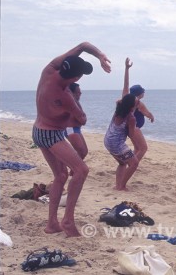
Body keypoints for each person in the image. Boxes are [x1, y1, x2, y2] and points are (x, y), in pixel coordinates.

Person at [32, 42, 111, 237]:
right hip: (51, 134)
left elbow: (83, 45)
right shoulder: (66, 96)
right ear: (76, 78)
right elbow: (81, 119)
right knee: (81, 170)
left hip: (38, 130)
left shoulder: (49, 70)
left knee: (60, 176)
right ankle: (68, 220)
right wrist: (74, 106)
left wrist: (99, 55)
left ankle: (52, 223)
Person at [104, 58, 142, 191]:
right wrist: (138, 146)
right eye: (137, 103)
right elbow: (132, 135)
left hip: (107, 140)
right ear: (132, 106)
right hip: (115, 143)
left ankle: (118, 185)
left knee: (122, 163)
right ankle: (122, 186)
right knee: (134, 163)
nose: (139, 104)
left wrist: (126, 69)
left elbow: (125, 88)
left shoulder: (119, 106)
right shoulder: (131, 118)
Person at [123, 58, 155, 161]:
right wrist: (152, 117)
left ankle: (129, 162)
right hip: (134, 127)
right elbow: (147, 113)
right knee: (143, 148)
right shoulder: (138, 102)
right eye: (143, 92)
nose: (144, 93)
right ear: (139, 94)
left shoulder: (127, 99)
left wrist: (127, 69)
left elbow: (126, 85)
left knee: (137, 148)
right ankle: (132, 165)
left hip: (128, 127)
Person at [65, 83, 88, 161]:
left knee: (84, 152)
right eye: (78, 92)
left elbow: (82, 118)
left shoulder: (76, 103)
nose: (80, 93)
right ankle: (75, 170)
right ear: (72, 93)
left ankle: (74, 170)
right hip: (71, 129)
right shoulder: (71, 104)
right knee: (81, 152)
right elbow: (83, 120)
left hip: (76, 129)